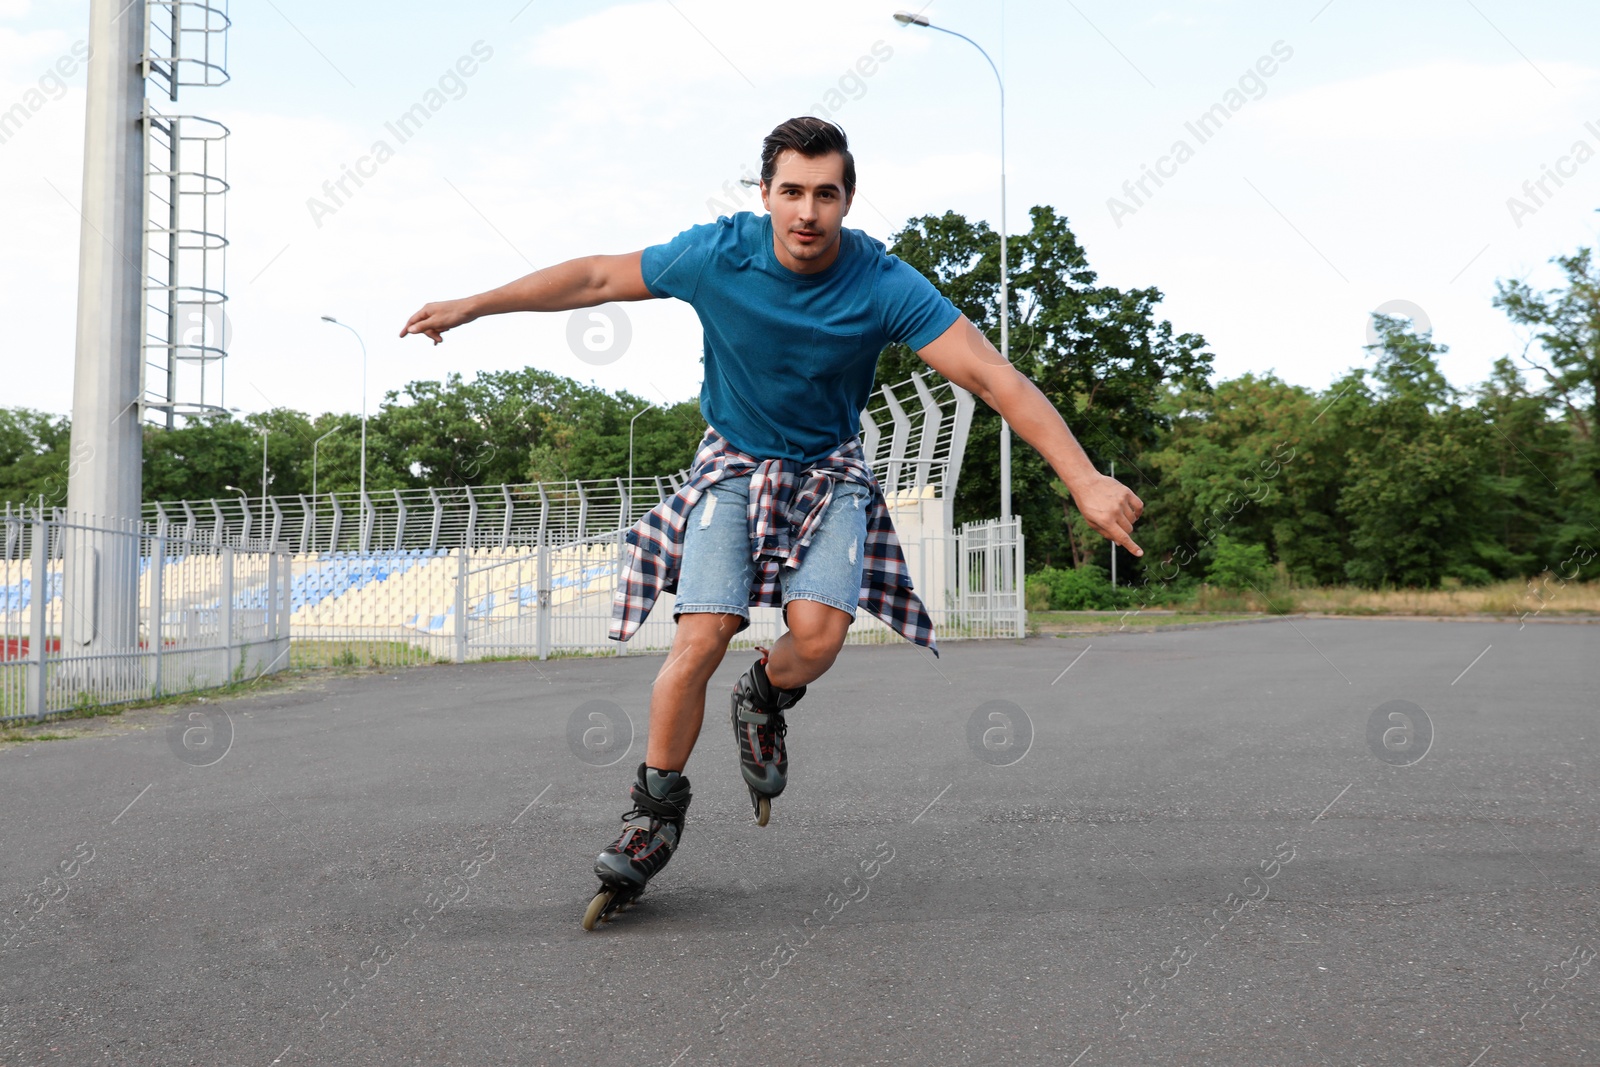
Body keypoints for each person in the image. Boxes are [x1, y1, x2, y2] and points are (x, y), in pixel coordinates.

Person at [401, 117, 1145, 924]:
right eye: (791, 191)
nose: (807, 212)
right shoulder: (719, 253)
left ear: (847, 200)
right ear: (765, 194)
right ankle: (653, 814)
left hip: (830, 470)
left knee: (820, 636)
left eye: (826, 194)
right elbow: (592, 279)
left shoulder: (883, 283)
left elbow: (993, 377)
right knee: (700, 635)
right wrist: (475, 304)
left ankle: (762, 694)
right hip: (734, 464)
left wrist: (1082, 476)